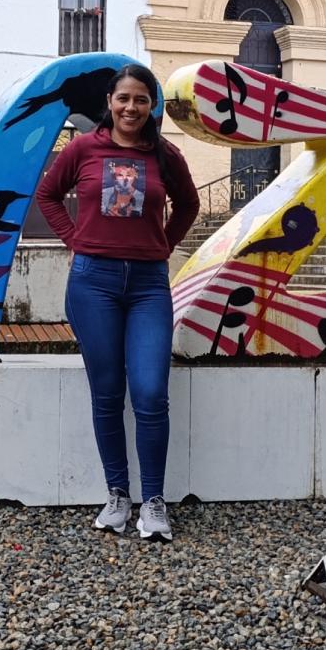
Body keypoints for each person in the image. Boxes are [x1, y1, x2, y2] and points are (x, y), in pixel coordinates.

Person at [35, 64, 199, 540]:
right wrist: (75, 239)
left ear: (152, 106)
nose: (131, 107)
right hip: (94, 284)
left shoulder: (166, 155)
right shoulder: (84, 148)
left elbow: (189, 205)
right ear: (110, 101)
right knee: (107, 392)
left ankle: (154, 502)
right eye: (123, 98)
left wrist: (164, 244)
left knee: (150, 392)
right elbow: (48, 195)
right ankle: (117, 495)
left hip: (148, 286)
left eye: (141, 99)